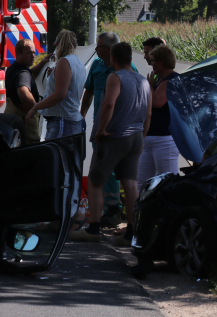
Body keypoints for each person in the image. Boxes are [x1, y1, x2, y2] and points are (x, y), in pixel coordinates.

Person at [71, 42, 151, 247]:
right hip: (136, 137)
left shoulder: (114, 77)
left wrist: (101, 130)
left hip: (115, 136)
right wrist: (142, 135)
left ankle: (94, 229)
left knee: (97, 182)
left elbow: (108, 103)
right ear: (131, 58)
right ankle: (130, 233)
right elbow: (148, 113)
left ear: (113, 59)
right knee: (130, 183)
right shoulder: (143, 80)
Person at [80, 32, 138, 227]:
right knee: (110, 174)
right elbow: (88, 90)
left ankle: (110, 212)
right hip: (105, 125)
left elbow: (110, 104)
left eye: (99, 47)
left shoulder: (126, 72)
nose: (96, 50)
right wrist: (82, 113)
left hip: (115, 128)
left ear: (110, 50)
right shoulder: (97, 65)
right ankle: (116, 215)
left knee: (103, 173)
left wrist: (102, 129)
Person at [25, 31, 86, 139]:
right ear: (75, 46)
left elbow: (60, 94)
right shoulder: (79, 63)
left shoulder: (64, 61)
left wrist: (35, 108)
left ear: (57, 44)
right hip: (71, 120)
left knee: (54, 154)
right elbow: (75, 92)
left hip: (62, 121)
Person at [137, 45, 181, 185]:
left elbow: (156, 102)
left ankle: (173, 206)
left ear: (161, 63)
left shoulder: (172, 80)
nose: (150, 64)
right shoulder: (162, 80)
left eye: (152, 61)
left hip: (164, 139)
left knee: (168, 182)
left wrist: (150, 86)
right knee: (142, 182)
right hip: (152, 137)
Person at [5, 39, 51, 145]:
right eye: (29, 53)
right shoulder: (23, 73)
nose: (33, 55)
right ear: (18, 54)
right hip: (26, 127)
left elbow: (31, 73)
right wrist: (36, 107)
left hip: (12, 122)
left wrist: (43, 62)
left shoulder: (12, 68)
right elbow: (23, 93)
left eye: (34, 52)